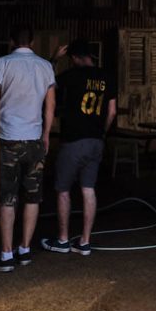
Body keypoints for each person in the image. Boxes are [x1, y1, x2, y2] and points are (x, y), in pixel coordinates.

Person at [0, 25, 56, 272]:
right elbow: (50, 105)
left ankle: (5, 255)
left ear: (11, 40)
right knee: (33, 196)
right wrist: (46, 134)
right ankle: (24, 249)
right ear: (32, 42)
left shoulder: (2, 63)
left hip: (8, 139)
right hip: (34, 139)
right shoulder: (46, 66)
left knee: (7, 197)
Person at [43, 40, 115, 255]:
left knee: (63, 189)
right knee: (88, 189)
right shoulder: (106, 76)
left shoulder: (70, 76)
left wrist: (54, 58)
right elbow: (111, 112)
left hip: (73, 140)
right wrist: (102, 132)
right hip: (96, 140)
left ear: (74, 58)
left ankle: (63, 239)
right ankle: (84, 241)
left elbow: (47, 84)